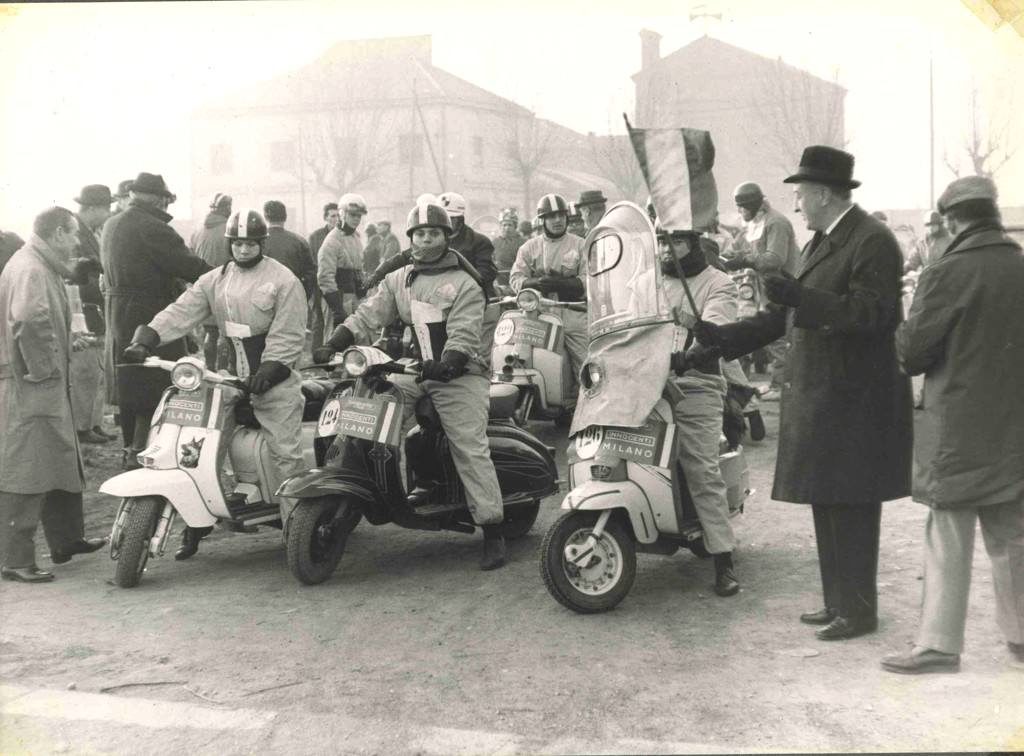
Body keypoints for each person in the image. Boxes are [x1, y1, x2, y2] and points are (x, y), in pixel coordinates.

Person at [695, 146, 913, 641]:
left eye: (800, 195)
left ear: (822, 193)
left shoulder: (872, 241)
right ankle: (838, 602)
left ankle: (858, 611)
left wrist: (803, 298)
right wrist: (723, 338)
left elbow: (873, 314)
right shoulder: (823, 243)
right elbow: (782, 316)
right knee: (826, 497)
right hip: (825, 394)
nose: (795, 205)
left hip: (856, 399)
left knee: (853, 503)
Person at [314, 200, 507, 571]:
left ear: (446, 237)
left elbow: (464, 334)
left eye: (433, 233)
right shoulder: (398, 279)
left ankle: (492, 528)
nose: (425, 239)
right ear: (411, 237)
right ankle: (363, 492)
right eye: (419, 233)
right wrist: (336, 341)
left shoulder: (464, 283)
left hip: (460, 374)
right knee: (368, 407)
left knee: (468, 444)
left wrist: (450, 362)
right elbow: (369, 314)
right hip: (416, 369)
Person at [880, 176, 1024, 674]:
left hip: (957, 430)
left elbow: (912, 353)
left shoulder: (945, 273)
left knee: (948, 535)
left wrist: (909, 310)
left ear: (953, 221)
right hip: (1014, 427)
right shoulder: (1020, 266)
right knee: (1012, 533)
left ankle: (940, 644)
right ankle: (1022, 637)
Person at [123, 208, 308, 560]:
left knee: (285, 454)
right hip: (225, 377)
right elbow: (182, 309)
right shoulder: (215, 280)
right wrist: (147, 337)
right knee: (196, 445)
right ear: (229, 244)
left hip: (273, 379)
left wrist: (266, 375)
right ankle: (197, 524)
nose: (243, 250)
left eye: (251, 243)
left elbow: (287, 338)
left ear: (262, 244)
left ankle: (297, 530)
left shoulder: (285, 281)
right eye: (237, 243)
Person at [0, 207, 107, 582]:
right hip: (29, 385)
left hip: (37, 382)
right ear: (58, 233)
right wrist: (44, 368)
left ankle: (67, 540)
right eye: (73, 234)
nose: (78, 241)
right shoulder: (31, 267)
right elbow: (29, 320)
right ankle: (15, 560)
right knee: (26, 470)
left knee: (60, 458)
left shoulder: (36, 264)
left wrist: (62, 343)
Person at [103, 173, 211, 469]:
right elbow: (189, 266)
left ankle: (130, 449)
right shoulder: (152, 227)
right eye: (165, 199)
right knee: (157, 382)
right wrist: (221, 277)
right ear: (160, 198)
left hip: (119, 314)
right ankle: (148, 452)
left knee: (130, 383)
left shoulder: (114, 223)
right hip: (149, 313)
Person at [661, 230, 741, 596]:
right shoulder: (646, 281)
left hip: (695, 382)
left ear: (693, 243)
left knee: (700, 465)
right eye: (661, 241)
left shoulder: (718, 283)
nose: (666, 249)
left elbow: (716, 334)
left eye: (675, 242)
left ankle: (723, 558)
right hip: (644, 381)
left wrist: (692, 345)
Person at [723, 182, 801, 400]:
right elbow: (737, 248)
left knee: (780, 337)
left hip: (784, 286)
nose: (740, 211)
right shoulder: (754, 222)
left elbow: (775, 259)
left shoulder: (776, 222)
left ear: (753, 205)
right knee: (772, 336)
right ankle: (778, 383)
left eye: (742, 207)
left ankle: (781, 386)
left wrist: (745, 260)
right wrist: (726, 258)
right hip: (767, 288)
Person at [509, 193, 587, 411]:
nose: (557, 220)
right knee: (519, 358)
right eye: (551, 216)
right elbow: (515, 278)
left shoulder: (581, 245)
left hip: (573, 311)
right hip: (538, 314)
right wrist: (534, 282)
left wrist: (562, 284)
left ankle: (588, 408)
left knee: (585, 363)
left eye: (561, 215)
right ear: (541, 220)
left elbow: (590, 280)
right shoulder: (529, 248)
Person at [71, 184, 116, 445]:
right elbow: (79, 279)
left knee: (96, 371)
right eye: (106, 208)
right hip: (84, 310)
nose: (108, 212)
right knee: (85, 371)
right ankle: (82, 426)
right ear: (93, 208)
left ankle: (94, 422)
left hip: (94, 310)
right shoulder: (76, 233)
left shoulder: (91, 232)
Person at [190, 192, 233, 370]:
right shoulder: (230, 230)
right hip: (226, 286)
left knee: (211, 332)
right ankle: (222, 373)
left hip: (204, 286)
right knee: (226, 334)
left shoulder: (197, 231)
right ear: (227, 209)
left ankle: (208, 369)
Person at [317, 192, 367, 334]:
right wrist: (337, 309)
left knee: (356, 339)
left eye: (359, 216)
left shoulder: (356, 238)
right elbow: (325, 277)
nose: (356, 219)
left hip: (353, 297)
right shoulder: (332, 240)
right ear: (342, 214)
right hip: (336, 299)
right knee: (335, 340)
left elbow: (359, 269)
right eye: (353, 215)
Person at [263, 200, 314, 297]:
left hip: (263, 296)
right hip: (293, 295)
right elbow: (310, 274)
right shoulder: (299, 241)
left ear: (265, 217)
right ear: (285, 217)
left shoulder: (258, 242)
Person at [307, 202, 340, 350]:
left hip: (338, 285)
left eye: (339, 215)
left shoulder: (345, 236)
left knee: (335, 319)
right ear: (326, 218)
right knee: (318, 319)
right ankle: (316, 352)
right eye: (333, 216)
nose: (336, 218)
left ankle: (331, 352)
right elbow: (312, 260)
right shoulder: (316, 236)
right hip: (319, 284)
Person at [492, 207, 526, 280]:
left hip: (518, 278)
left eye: (510, 225)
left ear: (515, 227)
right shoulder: (495, 242)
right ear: (501, 226)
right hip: (499, 278)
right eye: (504, 225)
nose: (507, 228)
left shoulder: (523, 242)